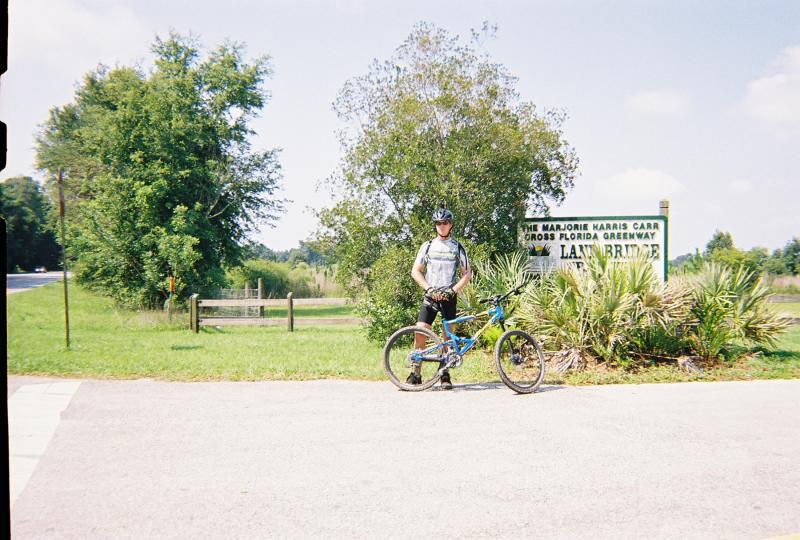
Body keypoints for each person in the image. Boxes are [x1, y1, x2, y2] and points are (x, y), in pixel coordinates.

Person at [409, 207, 472, 389]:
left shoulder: (457, 247)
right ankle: (416, 373)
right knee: (420, 332)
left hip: (448, 297)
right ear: (435, 226)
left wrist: (454, 290)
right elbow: (416, 271)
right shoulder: (427, 246)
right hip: (431, 295)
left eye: (444, 223)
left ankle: (444, 374)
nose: (441, 226)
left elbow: (467, 273)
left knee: (447, 338)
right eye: (438, 223)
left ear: (450, 225)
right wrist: (428, 288)